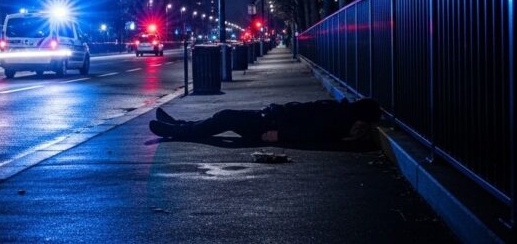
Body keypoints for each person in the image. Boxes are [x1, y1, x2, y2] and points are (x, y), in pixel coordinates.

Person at [149, 98, 382, 143]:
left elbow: (314, 134)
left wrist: (280, 136)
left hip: (271, 125)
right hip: (272, 118)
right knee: (223, 118)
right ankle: (179, 125)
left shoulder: (338, 120)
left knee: (225, 117)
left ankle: (178, 130)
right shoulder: (339, 113)